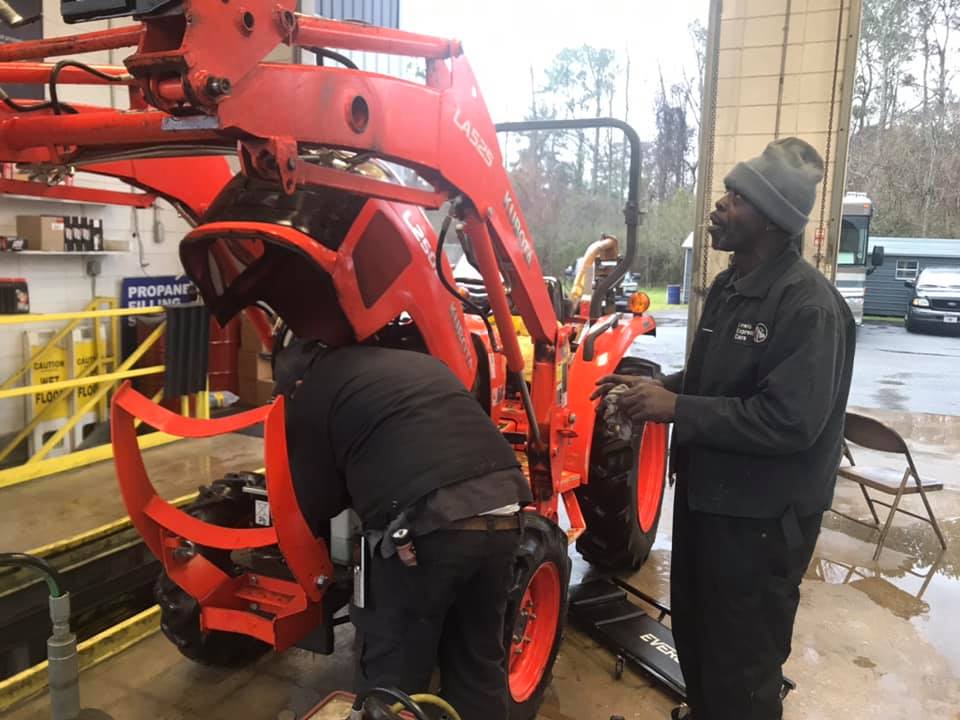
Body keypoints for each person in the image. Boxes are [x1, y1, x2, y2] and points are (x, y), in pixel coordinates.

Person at [593, 137, 855, 720]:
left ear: (771, 219)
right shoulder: (730, 289)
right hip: (708, 506)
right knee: (697, 638)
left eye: (735, 198)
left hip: (762, 525)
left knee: (742, 664)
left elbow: (789, 421)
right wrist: (654, 388)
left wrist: (676, 408)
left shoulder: (808, 308)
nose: (719, 205)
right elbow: (717, 380)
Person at [275, 341, 531, 720]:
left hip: (425, 531)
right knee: (478, 662)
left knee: (392, 674)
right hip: (505, 512)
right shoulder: (416, 362)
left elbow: (317, 501)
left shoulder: (313, 391)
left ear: (296, 385)